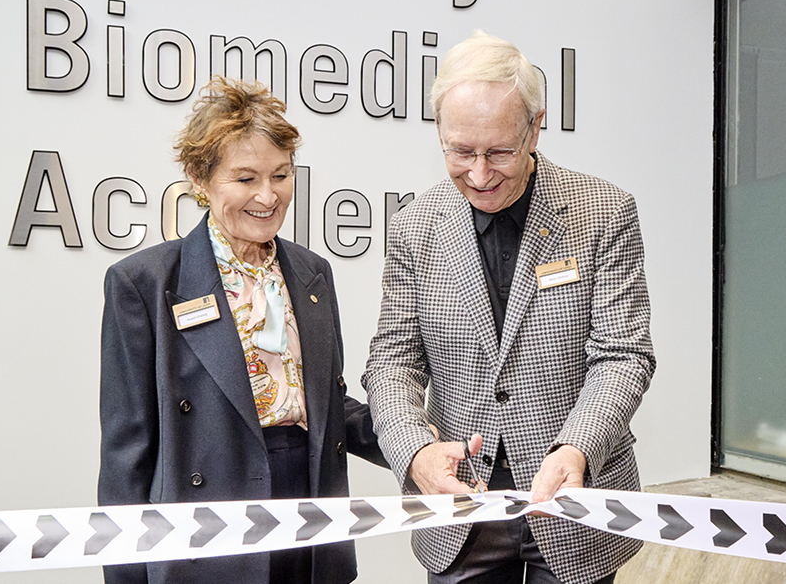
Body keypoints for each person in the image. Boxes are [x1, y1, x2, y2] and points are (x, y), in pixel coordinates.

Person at [362, 31, 656, 584]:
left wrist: (578, 448)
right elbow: (392, 362)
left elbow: (623, 356)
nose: (478, 174)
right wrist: (414, 453)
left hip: (574, 503)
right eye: (460, 151)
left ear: (535, 127)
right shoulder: (413, 227)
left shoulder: (604, 212)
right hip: (461, 509)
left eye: (498, 151)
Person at [99, 76, 386, 584]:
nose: (268, 195)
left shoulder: (312, 272)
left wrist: (416, 445)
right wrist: (126, 576)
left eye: (280, 175)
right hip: (210, 521)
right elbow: (128, 450)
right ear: (199, 178)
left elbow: (326, 405)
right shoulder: (144, 284)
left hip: (311, 508)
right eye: (246, 178)